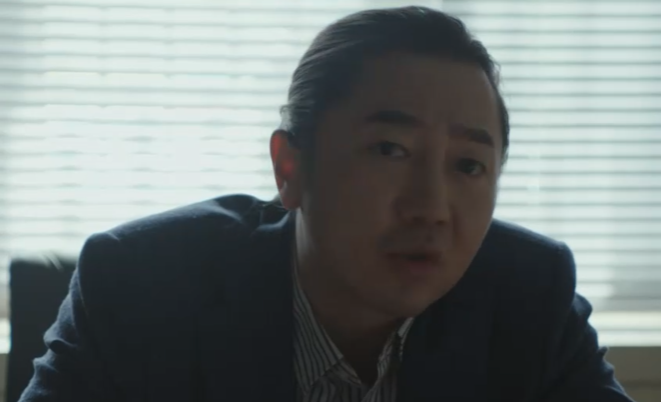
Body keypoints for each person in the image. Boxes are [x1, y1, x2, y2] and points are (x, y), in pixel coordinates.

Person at [20, 6, 634, 402]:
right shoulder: (141, 285)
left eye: (469, 165)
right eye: (389, 150)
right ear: (290, 169)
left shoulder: (529, 293)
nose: (432, 208)